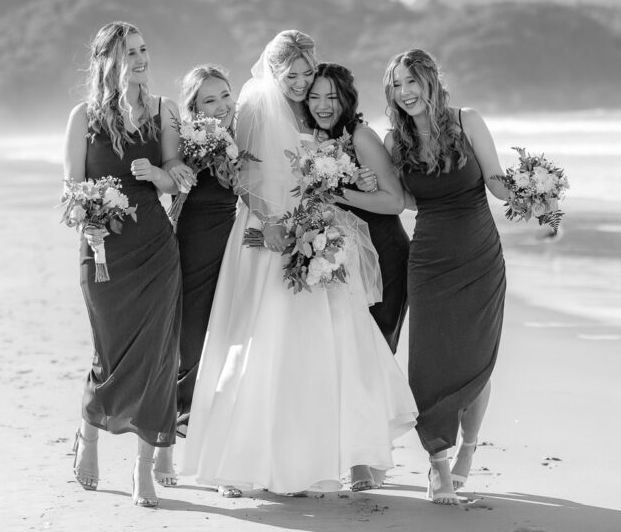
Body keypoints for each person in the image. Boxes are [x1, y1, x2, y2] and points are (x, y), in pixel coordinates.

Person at [181, 30, 417, 495]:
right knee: (261, 341)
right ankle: (241, 460)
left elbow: (325, 167)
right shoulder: (253, 105)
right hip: (263, 238)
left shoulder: (310, 111)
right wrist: (269, 223)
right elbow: (241, 175)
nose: (302, 82)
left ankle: (323, 457)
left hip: (311, 230)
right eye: (294, 74)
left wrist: (350, 184)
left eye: (309, 72)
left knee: (327, 345)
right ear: (274, 71)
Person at [63, 21, 182, 508]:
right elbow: (71, 187)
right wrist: (86, 222)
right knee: (109, 355)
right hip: (102, 255)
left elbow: (178, 178)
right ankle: (89, 435)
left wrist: (157, 173)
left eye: (143, 49)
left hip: (155, 251)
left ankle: (141, 468)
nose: (140, 58)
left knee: (156, 358)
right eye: (128, 52)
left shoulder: (163, 111)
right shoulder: (82, 117)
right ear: (106, 62)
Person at [382, 48, 508, 505]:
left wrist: (533, 192)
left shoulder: (466, 121)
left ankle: (468, 449)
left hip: (479, 254)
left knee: (476, 359)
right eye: (397, 85)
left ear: (432, 80)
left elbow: (495, 180)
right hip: (431, 259)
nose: (405, 92)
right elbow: (405, 201)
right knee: (430, 363)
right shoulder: (395, 143)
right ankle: (437, 466)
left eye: (412, 81)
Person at [161, 65, 243, 497]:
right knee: (188, 351)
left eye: (226, 95)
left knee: (225, 355)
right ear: (194, 107)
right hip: (189, 251)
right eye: (210, 100)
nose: (222, 106)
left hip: (232, 255)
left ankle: (221, 464)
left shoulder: (241, 139)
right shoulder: (184, 142)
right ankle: (164, 446)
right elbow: (164, 188)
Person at [305, 63, 410, 354]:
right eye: (315, 97)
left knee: (376, 349)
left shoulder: (360, 136)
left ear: (347, 99)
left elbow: (395, 201)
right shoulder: (318, 139)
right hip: (348, 258)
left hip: (384, 255)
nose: (323, 106)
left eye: (333, 97)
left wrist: (335, 195)